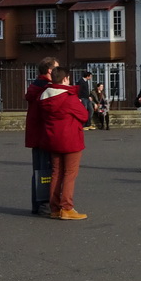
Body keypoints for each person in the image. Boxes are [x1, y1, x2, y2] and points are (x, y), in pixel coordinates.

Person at [39, 67, 90, 220]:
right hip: (70, 139)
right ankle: (66, 207)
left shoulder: (44, 96)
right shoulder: (68, 97)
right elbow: (84, 115)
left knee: (56, 173)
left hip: (53, 138)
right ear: (65, 79)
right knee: (69, 174)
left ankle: (54, 207)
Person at [25, 57, 58, 215]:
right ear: (50, 70)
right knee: (46, 170)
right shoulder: (46, 87)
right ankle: (44, 204)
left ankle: (38, 204)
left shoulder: (36, 85)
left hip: (36, 133)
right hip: (44, 133)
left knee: (39, 169)